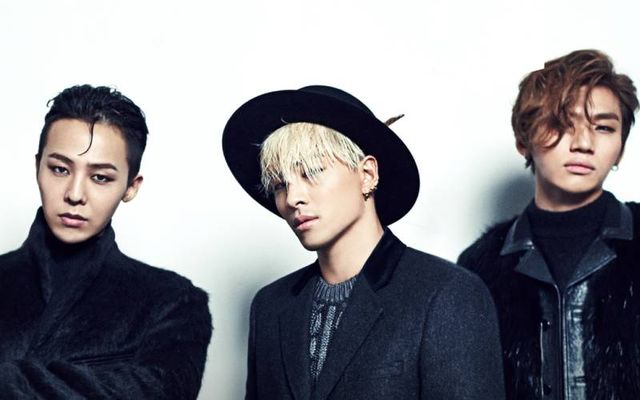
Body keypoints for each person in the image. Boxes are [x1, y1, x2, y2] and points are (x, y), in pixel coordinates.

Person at [223, 85, 505, 399]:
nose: (293, 198)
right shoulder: (270, 306)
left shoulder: (447, 294)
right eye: (279, 185)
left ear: (367, 174)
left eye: (312, 172)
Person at [0, 85, 212, 399]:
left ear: (131, 187)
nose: (75, 194)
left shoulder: (172, 302)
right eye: (60, 169)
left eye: (100, 177)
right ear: (37, 167)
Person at [457, 50, 640, 399]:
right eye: (562, 124)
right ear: (523, 140)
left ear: (620, 148)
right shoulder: (479, 267)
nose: (583, 144)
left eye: (604, 127)